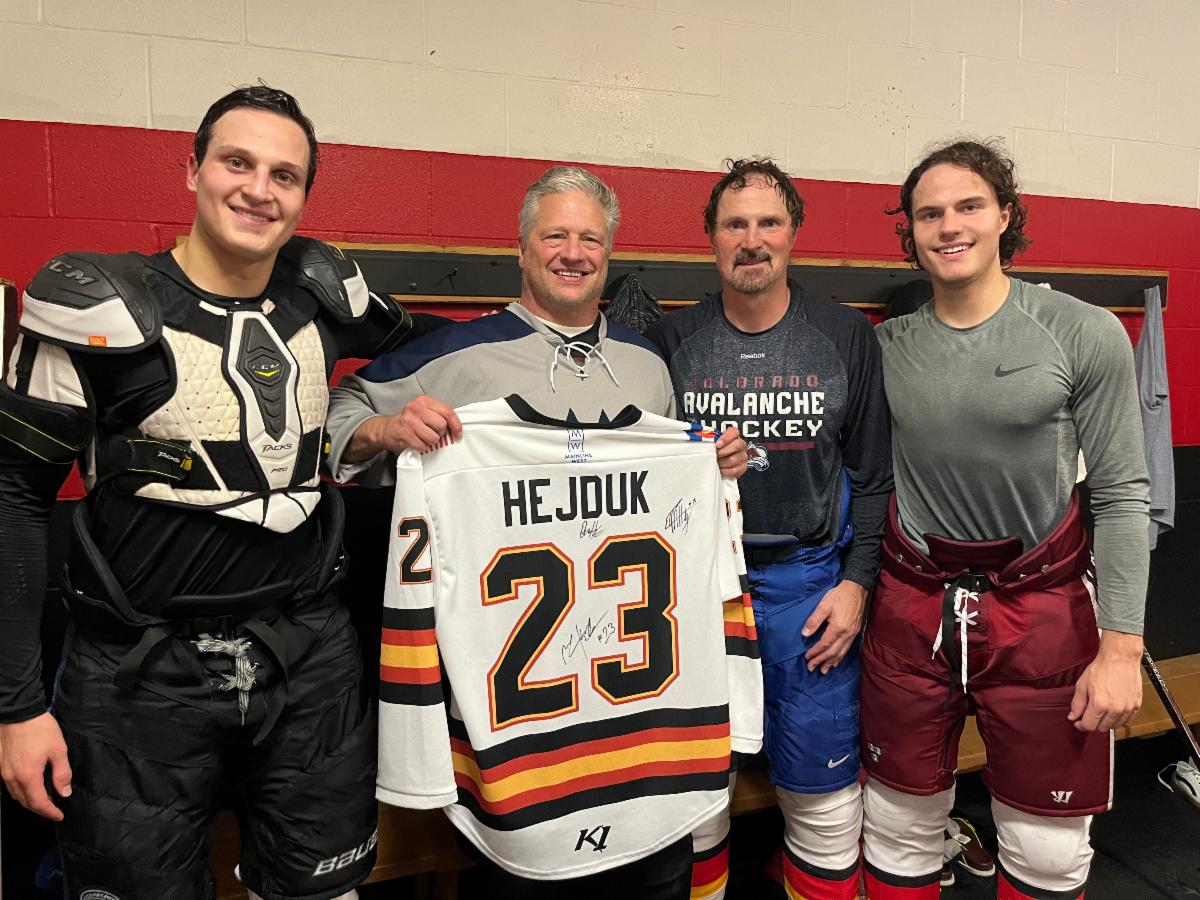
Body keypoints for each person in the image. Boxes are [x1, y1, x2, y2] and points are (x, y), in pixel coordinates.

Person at [0, 84, 437, 900]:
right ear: (193, 169)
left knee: (324, 890)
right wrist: (16, 709)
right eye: (238, 162)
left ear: (304, 194)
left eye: (284, 174)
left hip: (310, 657)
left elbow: (433, 345)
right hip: (137, 673)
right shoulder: (96, 306)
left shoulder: (324, 294)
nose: (259, 189)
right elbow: (14, 501)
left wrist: (385, 423)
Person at [325, 165, 748, 900]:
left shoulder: (648, 363)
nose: (573, 253)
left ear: (608, 255)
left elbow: (674, 497)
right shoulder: (452, 356)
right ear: (522, 250)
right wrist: (385, 430)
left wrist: (714, 465)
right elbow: (341, 409)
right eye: (555, 236)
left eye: (591, 239)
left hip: (637, 709)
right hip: (518, 722)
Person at [862, 139, 1151, 900]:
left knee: (1048, 848)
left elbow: (1123, 492)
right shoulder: (885, 347)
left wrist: (1122, 645)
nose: (949, 226)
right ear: (910, 230)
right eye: (930, 213)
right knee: (896, 823)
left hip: (1040, 608)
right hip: (913, 604)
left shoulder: (1082, 331)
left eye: (968, 207)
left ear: (1005, 217)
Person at [646, 158, 893, 900]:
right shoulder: (669, 341)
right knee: (696, 796)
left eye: (768, 222)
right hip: (697, 592)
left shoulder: (844, 335)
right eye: (735, 224)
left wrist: (858, 585)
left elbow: (873, 475)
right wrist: (697, 460)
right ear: (711, 237)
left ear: (793, 233)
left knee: (824, 799)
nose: (752, 240)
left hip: (809, 588)